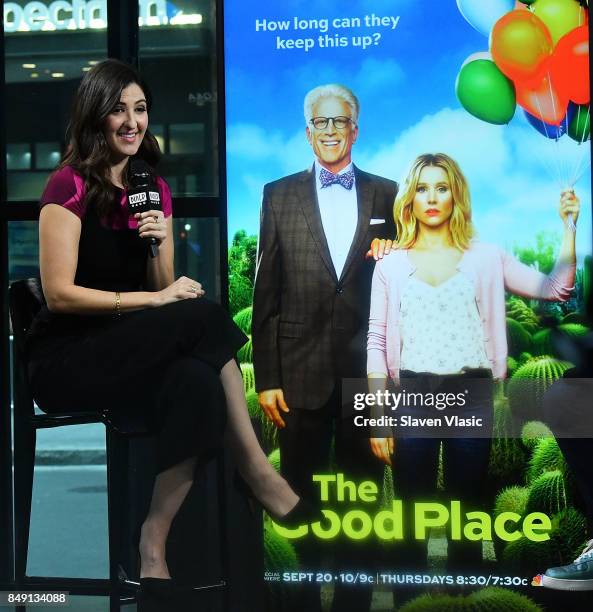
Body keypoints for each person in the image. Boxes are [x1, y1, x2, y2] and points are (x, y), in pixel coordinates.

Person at [25, 59, 313, 607]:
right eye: (119, 111)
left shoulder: (151, 187)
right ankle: (255, 468)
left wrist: (157, 244)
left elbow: (165, 287)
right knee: (200, 313)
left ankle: (153, 543)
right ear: (96, 118)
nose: (132, 123)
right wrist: (155, 299)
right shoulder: (68, 185)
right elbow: (60, 293)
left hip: (130, 349)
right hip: (69, 358)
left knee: (197, 385)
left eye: (140, 109)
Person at [367, 153, 578, 574]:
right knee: (413, 514)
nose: (432, 198)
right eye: (422, 188)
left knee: (466, 514)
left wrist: (569, 226)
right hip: (413, 394)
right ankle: (414, 599)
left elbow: (557, 288)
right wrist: (377, 417)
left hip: (470, 395)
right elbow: (376, 341)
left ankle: (462, 597)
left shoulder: (487, 257)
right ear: (409, 198)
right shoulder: (390, 266)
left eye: (441, 188)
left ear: (455, 196)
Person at [252, 83, 397, 612]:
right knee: (300, 498)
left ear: (356, 129)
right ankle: (304, 602)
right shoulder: (278, 193)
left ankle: (355, 605)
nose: (331, 131)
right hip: (298, 373)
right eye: (321, 123)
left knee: (362, 502)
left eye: (340, 122)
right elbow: (266, 289)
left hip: (366, 373)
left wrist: (395, 249)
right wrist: (267, 376)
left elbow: (401, 275)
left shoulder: (387, 192)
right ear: (307, 131)